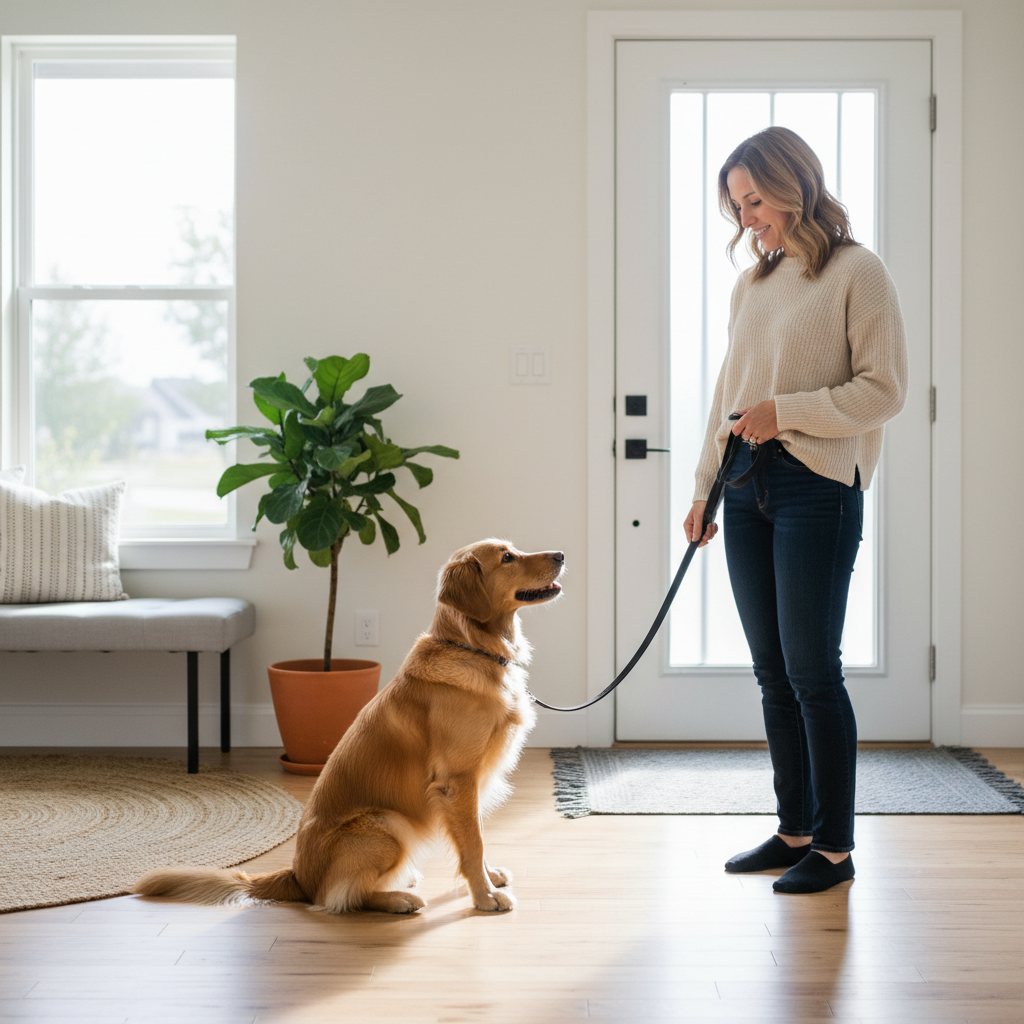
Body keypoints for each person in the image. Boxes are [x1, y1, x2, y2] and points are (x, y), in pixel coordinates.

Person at [683, 126, 907, 894]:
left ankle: (836, 851)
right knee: (773, 673)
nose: (747, 218)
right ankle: (795, 830)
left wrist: (791, 412)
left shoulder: (858, 272)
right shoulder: (751, 285)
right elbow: (727, 395)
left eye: (755, 200)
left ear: (794, 183)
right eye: (737, 206)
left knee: (814, 672)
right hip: (745, 483)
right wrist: (704, 487)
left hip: (818, 486)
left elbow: (884, 392)